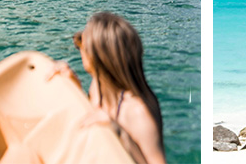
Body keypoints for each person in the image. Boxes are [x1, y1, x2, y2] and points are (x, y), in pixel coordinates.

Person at [49, 12, 166, 164]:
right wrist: (72, 81)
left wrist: (119, 132)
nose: (79, 47)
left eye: (83, 44)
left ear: (100, 57)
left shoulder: (138, 113)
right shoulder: (98, 84)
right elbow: (94, 113)